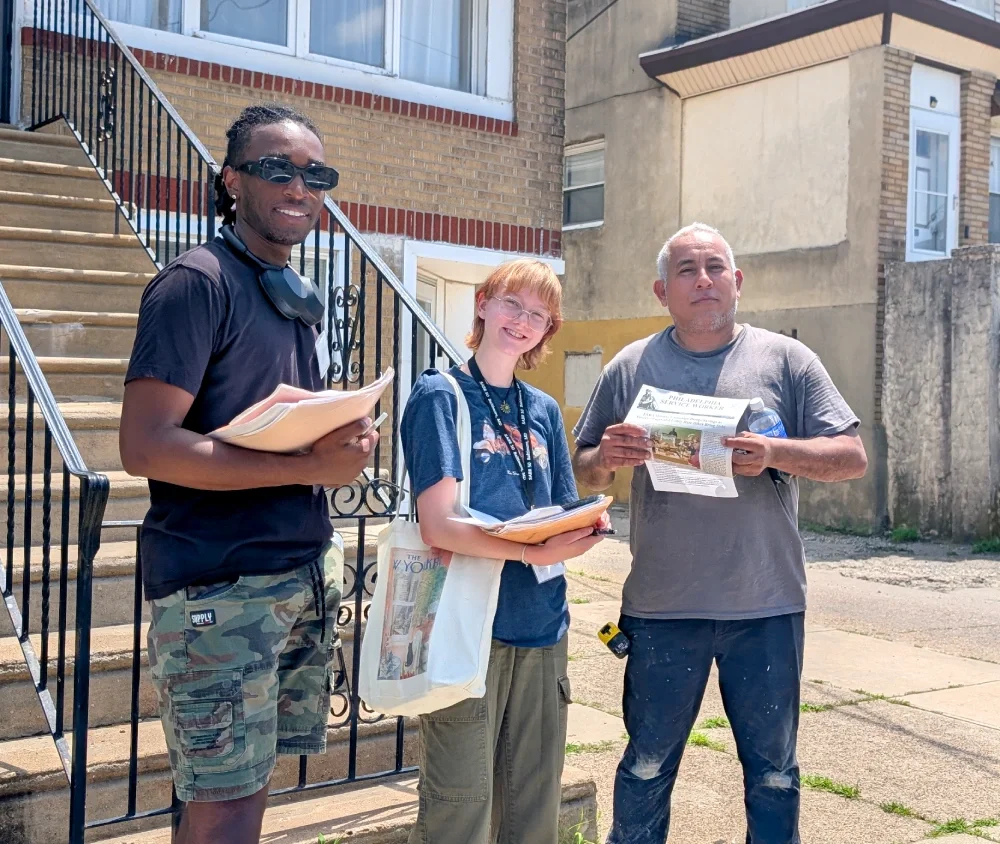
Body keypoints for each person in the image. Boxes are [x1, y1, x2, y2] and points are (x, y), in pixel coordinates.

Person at [119, 104, 379, 844]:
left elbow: (261, 422)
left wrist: (339, 438)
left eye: (315, 175)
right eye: (276, 169)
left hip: (294, 572)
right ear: (232, 180)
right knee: (225, 805)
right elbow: (146, 446)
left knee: (239, 787)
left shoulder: (294, 298)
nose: (299, 186)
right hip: (219, 589)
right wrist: (305, 464)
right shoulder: (195, 284)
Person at [572, 223, 868, 844]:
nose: (702, 280)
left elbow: (851, 457)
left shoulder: (787, 360)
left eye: (714, 267)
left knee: (775, 776)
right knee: (647, 767)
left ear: (738, 281)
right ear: (662, 290)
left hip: (767, 605)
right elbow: (578, 468)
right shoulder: (631, 367)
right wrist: (609, 457)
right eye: (686, 270)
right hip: (660, 609)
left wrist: (776, 452)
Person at [400, 258, 608, 844]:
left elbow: (564, 509)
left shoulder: (541, 410)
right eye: (512, 304)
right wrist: (526, 553)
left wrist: (586, 529)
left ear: (548, 331)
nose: (522, 321)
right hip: (470, 626)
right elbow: (438, 525)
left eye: (538, 314)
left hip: (542, 626)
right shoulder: (440, 397)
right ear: (484, 304)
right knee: (459, 811)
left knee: (532, 813)